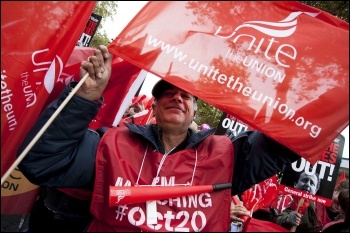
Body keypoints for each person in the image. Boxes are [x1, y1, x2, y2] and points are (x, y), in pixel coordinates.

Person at [18, 45, 300, 232]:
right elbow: (42, 161)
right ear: (153, 108)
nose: (177, 96)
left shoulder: (224, 156)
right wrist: (84, 97)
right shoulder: (115, 144)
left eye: (186, 95)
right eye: (167, 92)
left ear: (194, 112)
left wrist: (299, 90)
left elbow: (290, 137)